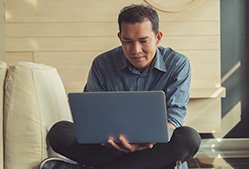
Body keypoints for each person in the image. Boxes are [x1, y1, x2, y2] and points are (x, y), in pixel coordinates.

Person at [39, 4, 201, 169]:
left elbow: (174, 117)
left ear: (158, 37)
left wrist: (146, 140)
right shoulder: (102, 64)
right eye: (128, 41)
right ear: (120, 37)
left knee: (189, 139)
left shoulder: (178, 64)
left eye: (143, 41)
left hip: (154, 147)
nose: (136, 50)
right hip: (110, 147)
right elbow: (92, 116)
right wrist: (108, 140)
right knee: (60, 133)